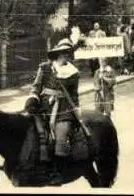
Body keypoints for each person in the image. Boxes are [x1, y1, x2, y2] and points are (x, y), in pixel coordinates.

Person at [22, 38, 82, 186]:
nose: (66, 56)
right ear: (57, 53)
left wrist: (77, 111)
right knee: (28, 129)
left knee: (61, 136)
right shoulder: (44, 68)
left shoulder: (73, 73)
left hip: (64, 108)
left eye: (68, 53)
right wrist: (32, 99)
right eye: (63, 53)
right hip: (43, 105)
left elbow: (74, 95)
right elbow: (36, 87)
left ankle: (57, 172)